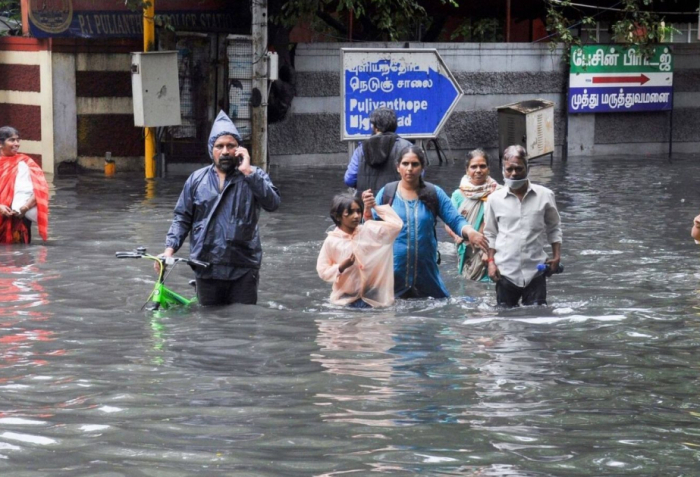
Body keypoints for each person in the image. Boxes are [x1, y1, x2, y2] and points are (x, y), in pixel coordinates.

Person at [160, 111, 281, 306]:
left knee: (242, 325)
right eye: (220, 146)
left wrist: (249, 173)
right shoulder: (196, 180)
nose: (225, 151)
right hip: (206, 267)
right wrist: (169, 250)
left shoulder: (254, 175)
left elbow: (273, 203)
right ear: (212, 150)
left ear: (239, 149)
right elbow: (182, 218)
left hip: (243, 267)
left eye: (230, 146)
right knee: (208, 327)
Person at [364, 145, 489, 299]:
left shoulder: (434, 193)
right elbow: (370, 230)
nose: (410, 168)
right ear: (398, 167)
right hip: (392, 274)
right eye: (405, 164)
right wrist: (367, 209)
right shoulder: (387, 193)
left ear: (422, 167)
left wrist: (470, 232)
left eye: (415, 164)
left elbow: (455, 219)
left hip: (427, 275)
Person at [483, 145, 562, 308]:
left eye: (518, 169)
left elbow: (554, 227)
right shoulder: (494, 199)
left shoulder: (545, 196)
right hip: (504, 272)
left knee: (537, 320)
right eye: (509, 169)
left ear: (527, 168)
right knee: (504, 321)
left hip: (535, 272)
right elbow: (490, 233)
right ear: (503, 169)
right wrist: (491, 262)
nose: (513, 173)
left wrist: (556, 256)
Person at [316, 193, 402, 308]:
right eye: (350, 212)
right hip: (345, 300)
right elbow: (322, 271)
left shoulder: (367, 232)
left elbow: (396, 226)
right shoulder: (332, 241)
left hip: (373, 298)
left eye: (358, 211)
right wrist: (341, 267)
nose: (356, 216)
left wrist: (374, 207)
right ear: (338, 216)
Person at [444, 149, 501, 282]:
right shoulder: (458, 195)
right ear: (467, 170)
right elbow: (449, 221)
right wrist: (456, 236)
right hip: (466, 251)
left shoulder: (499, 193)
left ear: (488, 169)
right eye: (473, 166)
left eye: (482, 166)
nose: (478, 170)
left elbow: (504, 224)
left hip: (493, 251)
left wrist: (489, 252)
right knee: (468, 287)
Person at [344, 107, 412, 197]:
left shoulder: (360, 150)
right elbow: (416, 176)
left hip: (367, 205)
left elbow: (349, 179)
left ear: (375, 128)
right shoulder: (407, 147)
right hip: (395, 205)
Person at [0, 126, 49, 244]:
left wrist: (26, 207)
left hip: (20, 219)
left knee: (21, 258)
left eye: (18, 140)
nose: (17, 144)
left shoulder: (26, 162)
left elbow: (41, 189)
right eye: (12, 140)